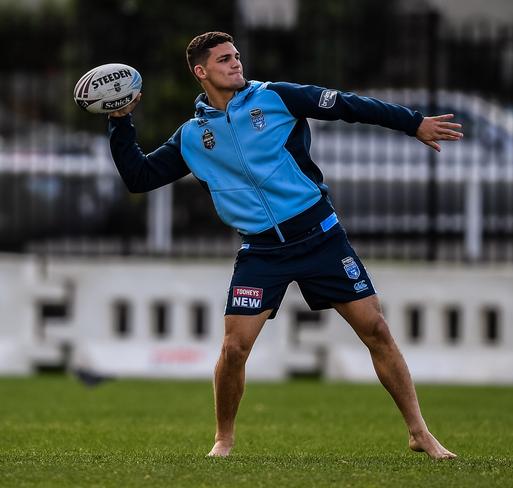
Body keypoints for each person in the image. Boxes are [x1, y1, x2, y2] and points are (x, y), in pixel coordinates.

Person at [107, 31, 462, 461]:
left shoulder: (277, 97)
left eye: (236, 56)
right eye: (223, 60)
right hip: (261, 252)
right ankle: (224, 439)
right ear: (201, 72)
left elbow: (349, 104)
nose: (236, 64)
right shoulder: (192, 137)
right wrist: (121, 121)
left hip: (321, 237)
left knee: (377, 331)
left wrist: (413, 123)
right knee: (233, 349)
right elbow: (138, 178)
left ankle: (419, 432)